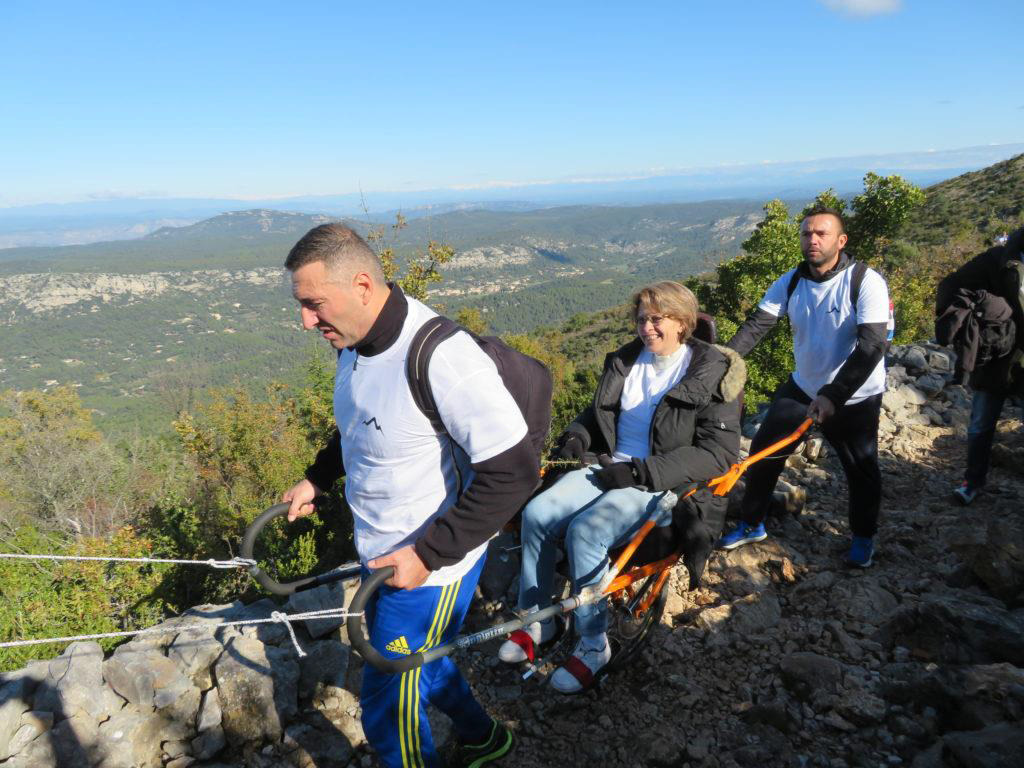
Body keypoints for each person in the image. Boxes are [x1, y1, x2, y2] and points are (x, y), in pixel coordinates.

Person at [281, 223, 539, 768]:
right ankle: (484, 738)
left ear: (362, 286)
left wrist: (427, 555)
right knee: (425, 663)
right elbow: (362, 422)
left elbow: (514, 472)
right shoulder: (352, 342)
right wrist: (318, 478)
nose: (306, 321)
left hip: (428, 568)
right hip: (381, 553)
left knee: (387, 705)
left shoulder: (441, 357)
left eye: (314, 304)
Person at [498, 281, 744, 693]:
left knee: (586, 532)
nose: (647, 328)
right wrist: (578, 435)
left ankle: (593, 645)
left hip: (657, 480)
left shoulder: (710, 375)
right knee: (538, 514)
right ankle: (540, 618)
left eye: (657, 319)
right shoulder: (627, 363)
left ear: (682, 323)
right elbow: (599, 414)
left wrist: (640, 473)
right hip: (610, 466)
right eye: (642, 319)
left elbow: (718, 454)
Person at [717, 206, 891, 568]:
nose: (812, 240)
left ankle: (862, 537)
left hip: (855, 394)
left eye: (821, 234)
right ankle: (752, 523)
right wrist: (722, 364)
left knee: (860, 466)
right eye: (806, 233)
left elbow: (873, 345)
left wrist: (833, 395)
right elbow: (756, 327)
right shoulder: (791, 281)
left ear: (840, 241)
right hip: (803, 386)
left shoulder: (865, 281)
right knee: (764, 453)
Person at [936, 226, 1024, 504]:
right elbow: (953, 284)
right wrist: (975, 313)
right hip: (998, 355)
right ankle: (972, 482)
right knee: (981, 424)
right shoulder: (999, 260)